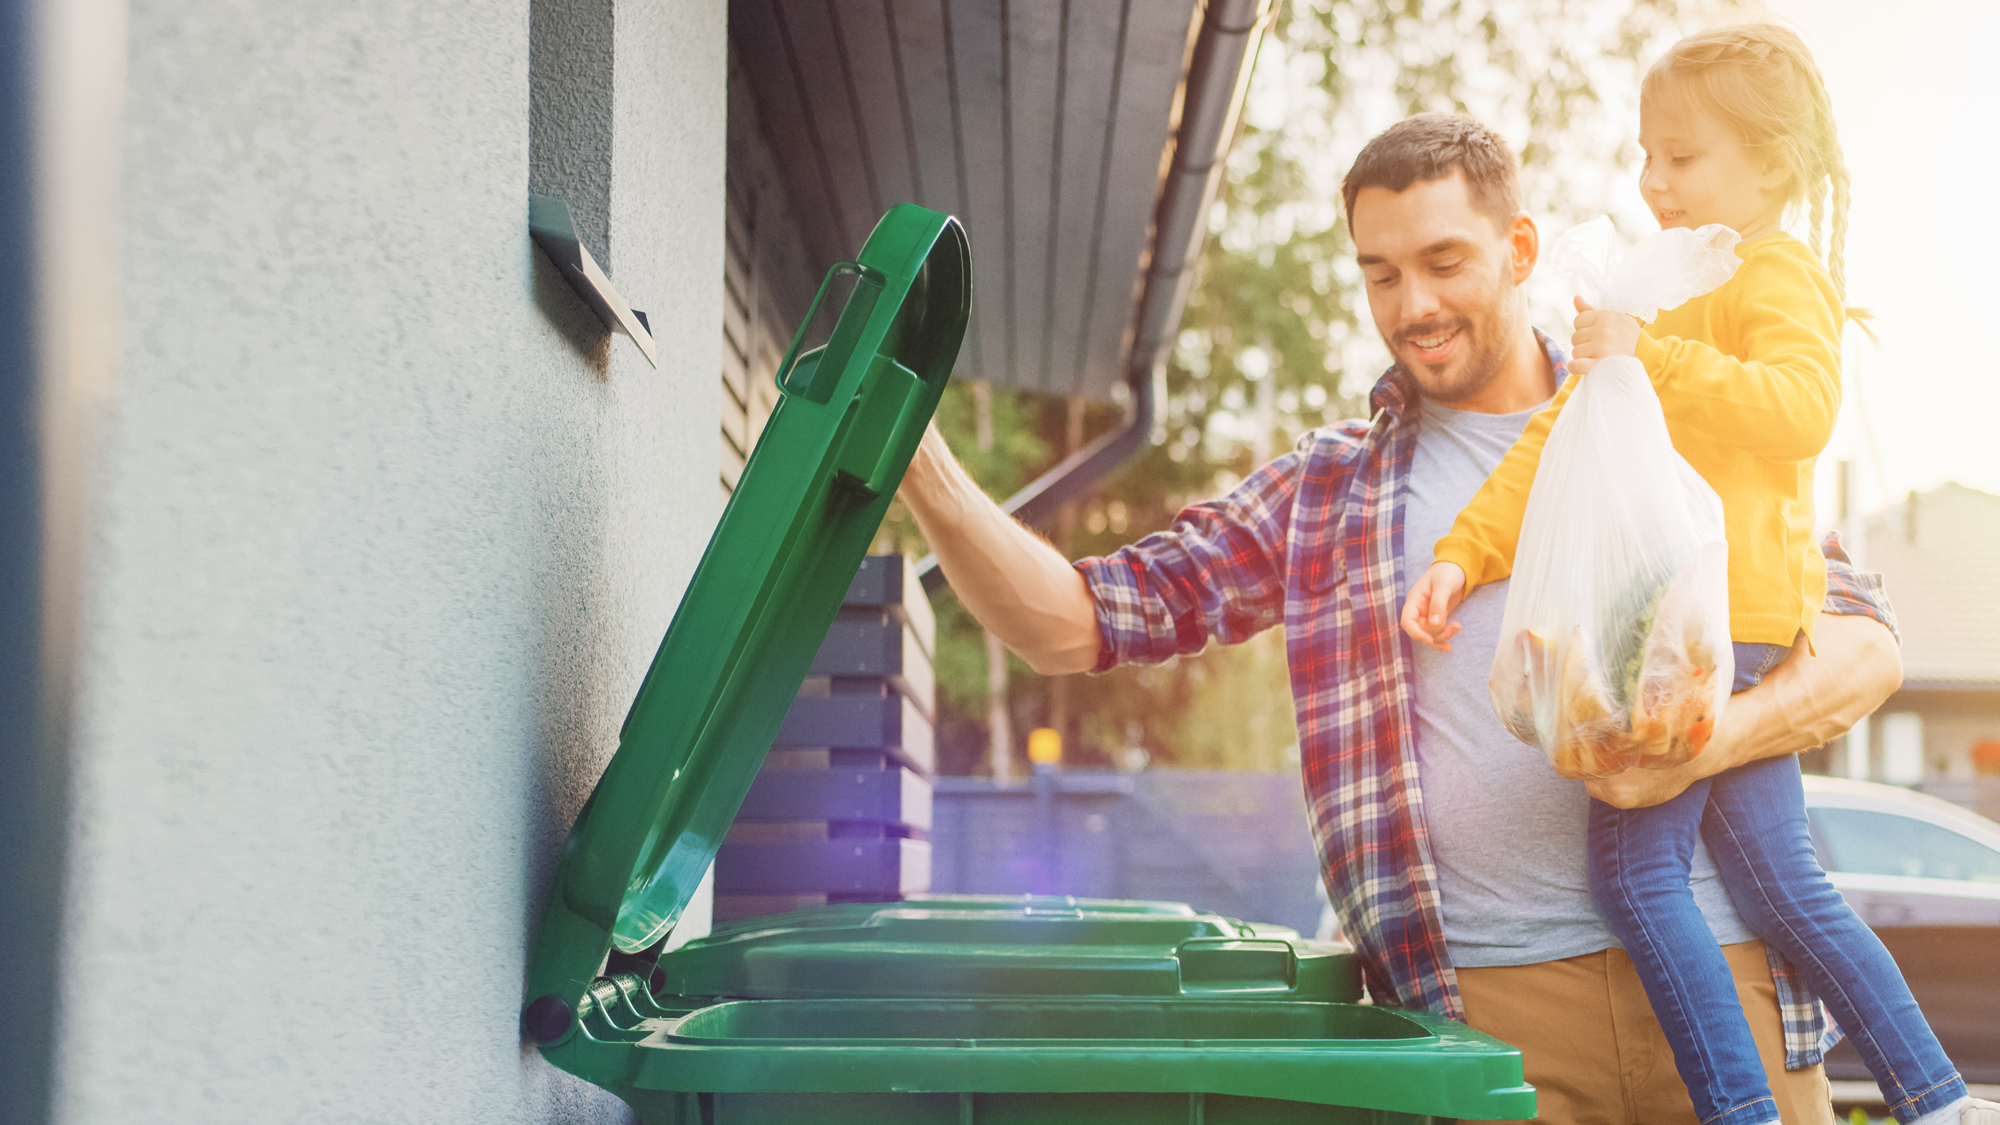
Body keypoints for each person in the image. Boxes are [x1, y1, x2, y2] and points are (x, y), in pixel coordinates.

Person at [899, 110, 1904, 1125]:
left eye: (1441, 261)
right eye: (1379, 274)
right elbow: (1077, 622)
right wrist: (927, 472)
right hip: (1489, 1010)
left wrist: (1695, 747)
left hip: (1719, 961)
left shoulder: (1674, 404)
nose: (1411, 304)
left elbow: (1862, 650)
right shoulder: (1328, 492)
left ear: (1519, 250)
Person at [1402, 27, 1991, 1125]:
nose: (1652, 181)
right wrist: (1459, 553)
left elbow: (1797, 409)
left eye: (1681, 156)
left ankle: (1740, 1110)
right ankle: (1938, 1097)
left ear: (1769, 165)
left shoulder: (1773, 271)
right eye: (1644, 156)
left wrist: (1648, 352)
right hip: (1702, 619)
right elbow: (1555, 439)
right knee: (1782, 884)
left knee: (1631, 877)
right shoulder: (1660, 284)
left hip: (1706, 626)